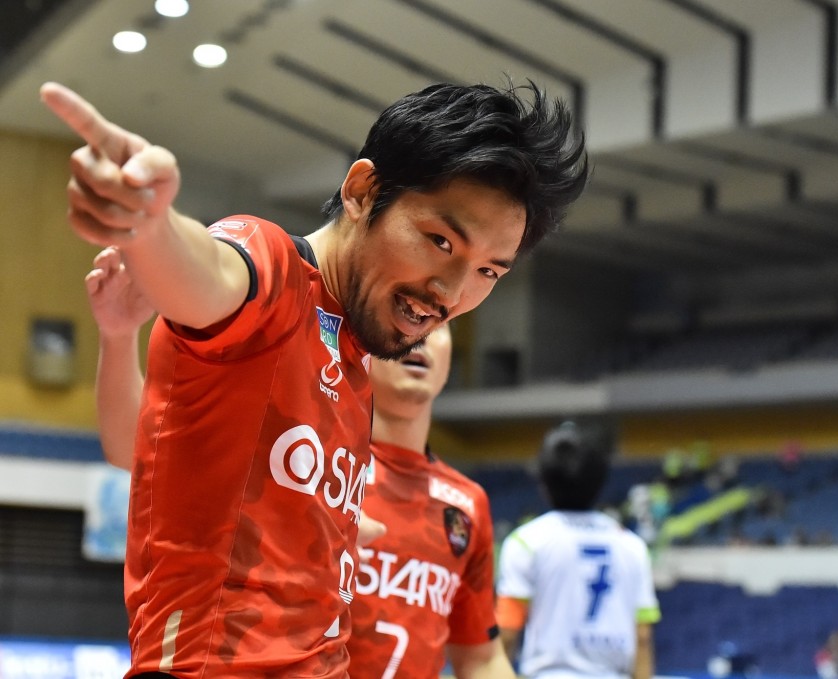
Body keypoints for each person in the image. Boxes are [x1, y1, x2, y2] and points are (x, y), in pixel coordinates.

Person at [46, 77, 587, 678]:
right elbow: (210, 272)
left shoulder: (357, 355)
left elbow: (149, 451)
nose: (452, 292)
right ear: (362, 191)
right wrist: (151, 226)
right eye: (440, 241)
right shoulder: (272, 271)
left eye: (488, 271)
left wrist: (329, 529)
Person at [86, 247, 513, 679]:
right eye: (407, 316)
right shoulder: (304, 453)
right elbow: (140, 448)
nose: (422, 336)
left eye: (439, 326)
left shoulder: (466, 504)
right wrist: (118, 337)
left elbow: (480, 657)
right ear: (366, 342)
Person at [495, 422, 661, 679]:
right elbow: (643, 638)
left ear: (543, 482)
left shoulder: (526, 542)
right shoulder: (632, 545)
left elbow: (507, 632)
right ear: (601, 482)